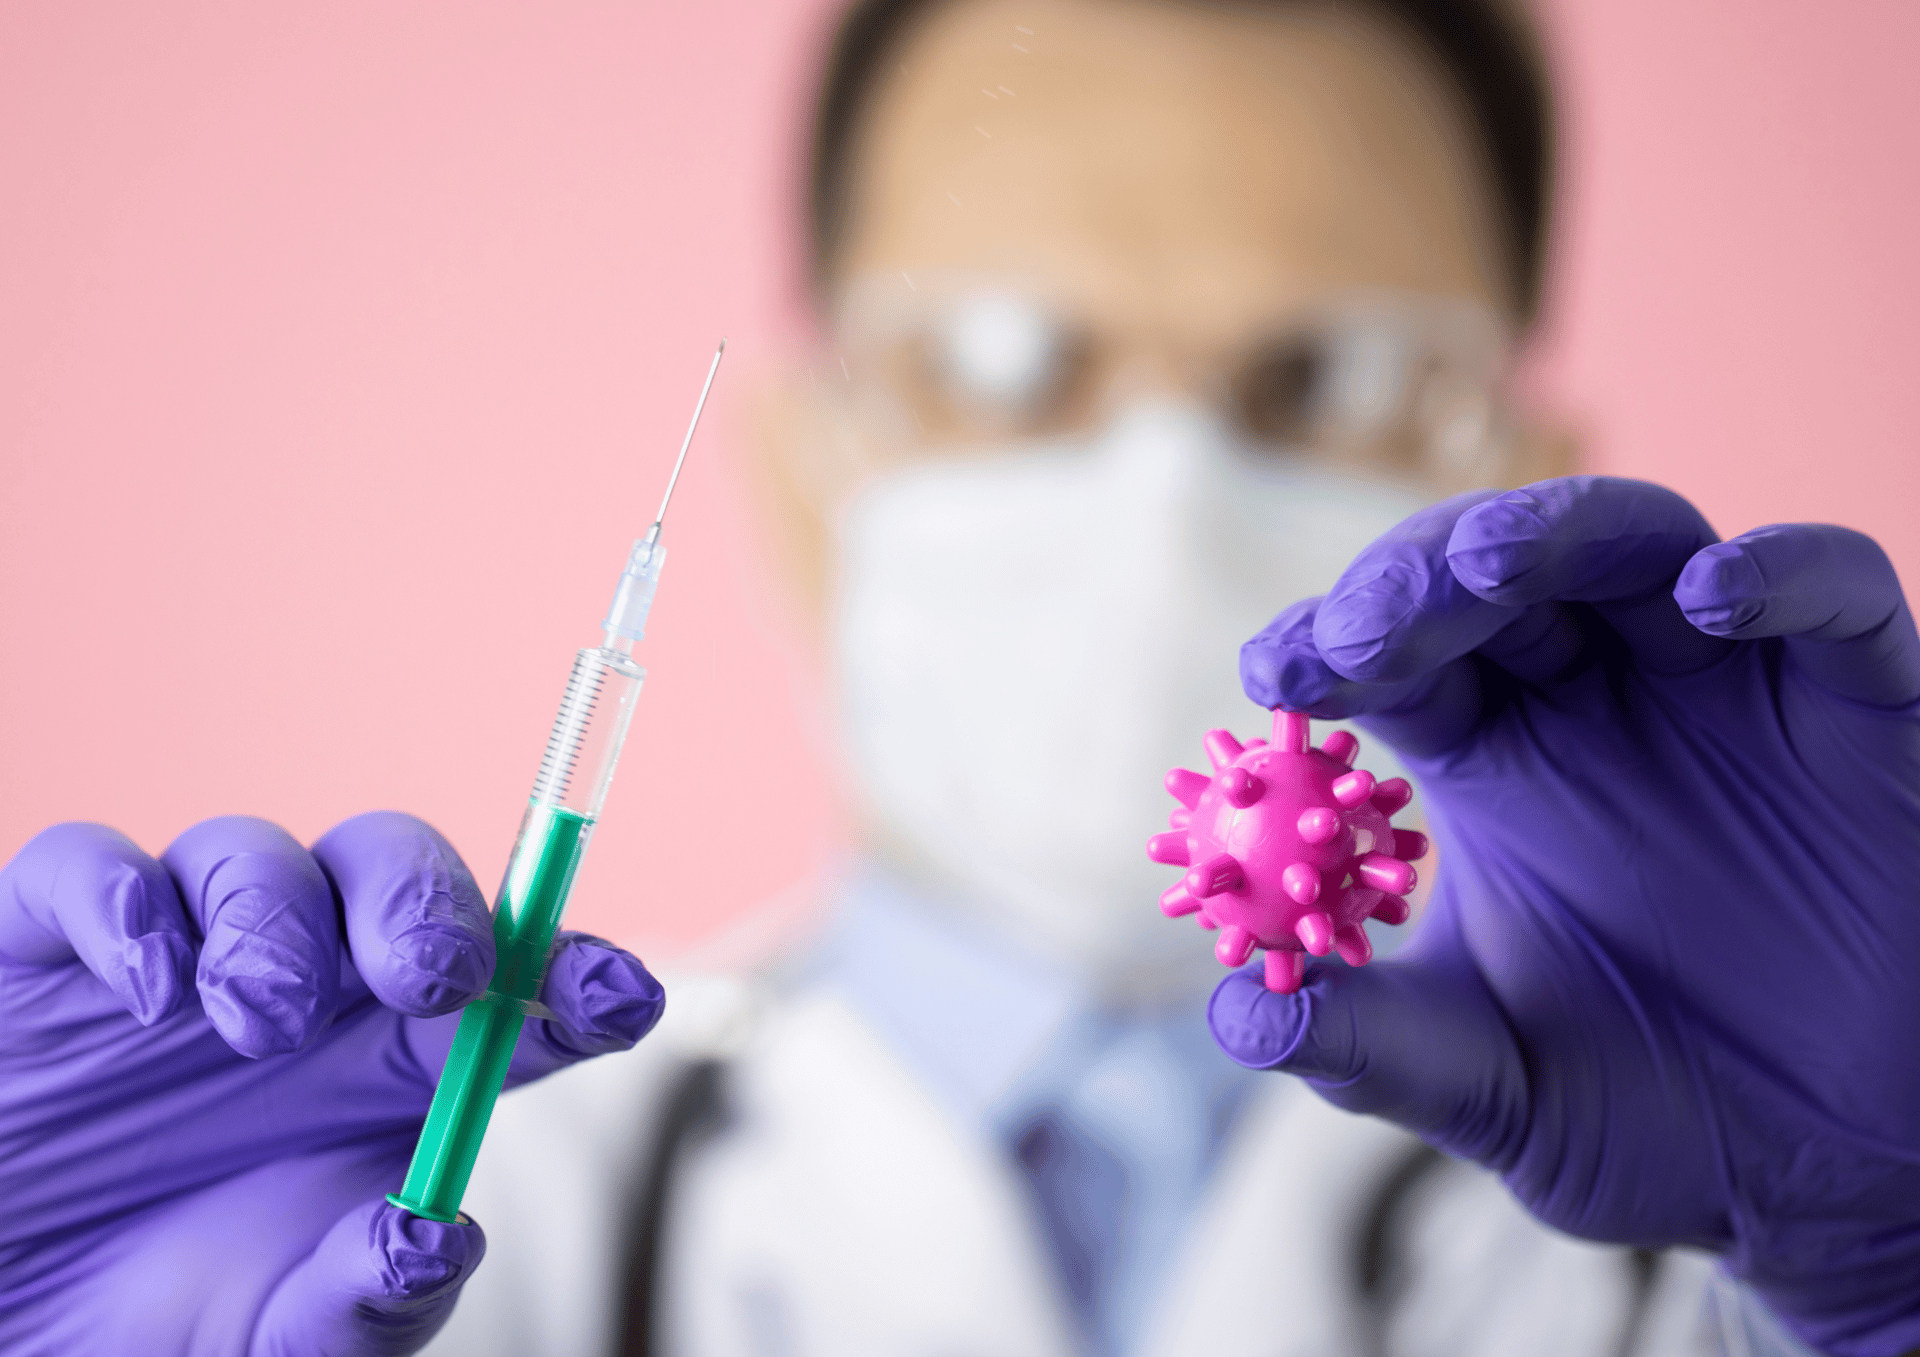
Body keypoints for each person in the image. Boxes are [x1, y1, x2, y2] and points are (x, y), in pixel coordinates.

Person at [4, 3, 1917, 1357]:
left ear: (1515, 472)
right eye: (1007, 363)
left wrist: (1894, 1271)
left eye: (1325, 381)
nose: (1161, 494)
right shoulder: (423, 1227)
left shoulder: (1726, 1232)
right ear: (802, 487)